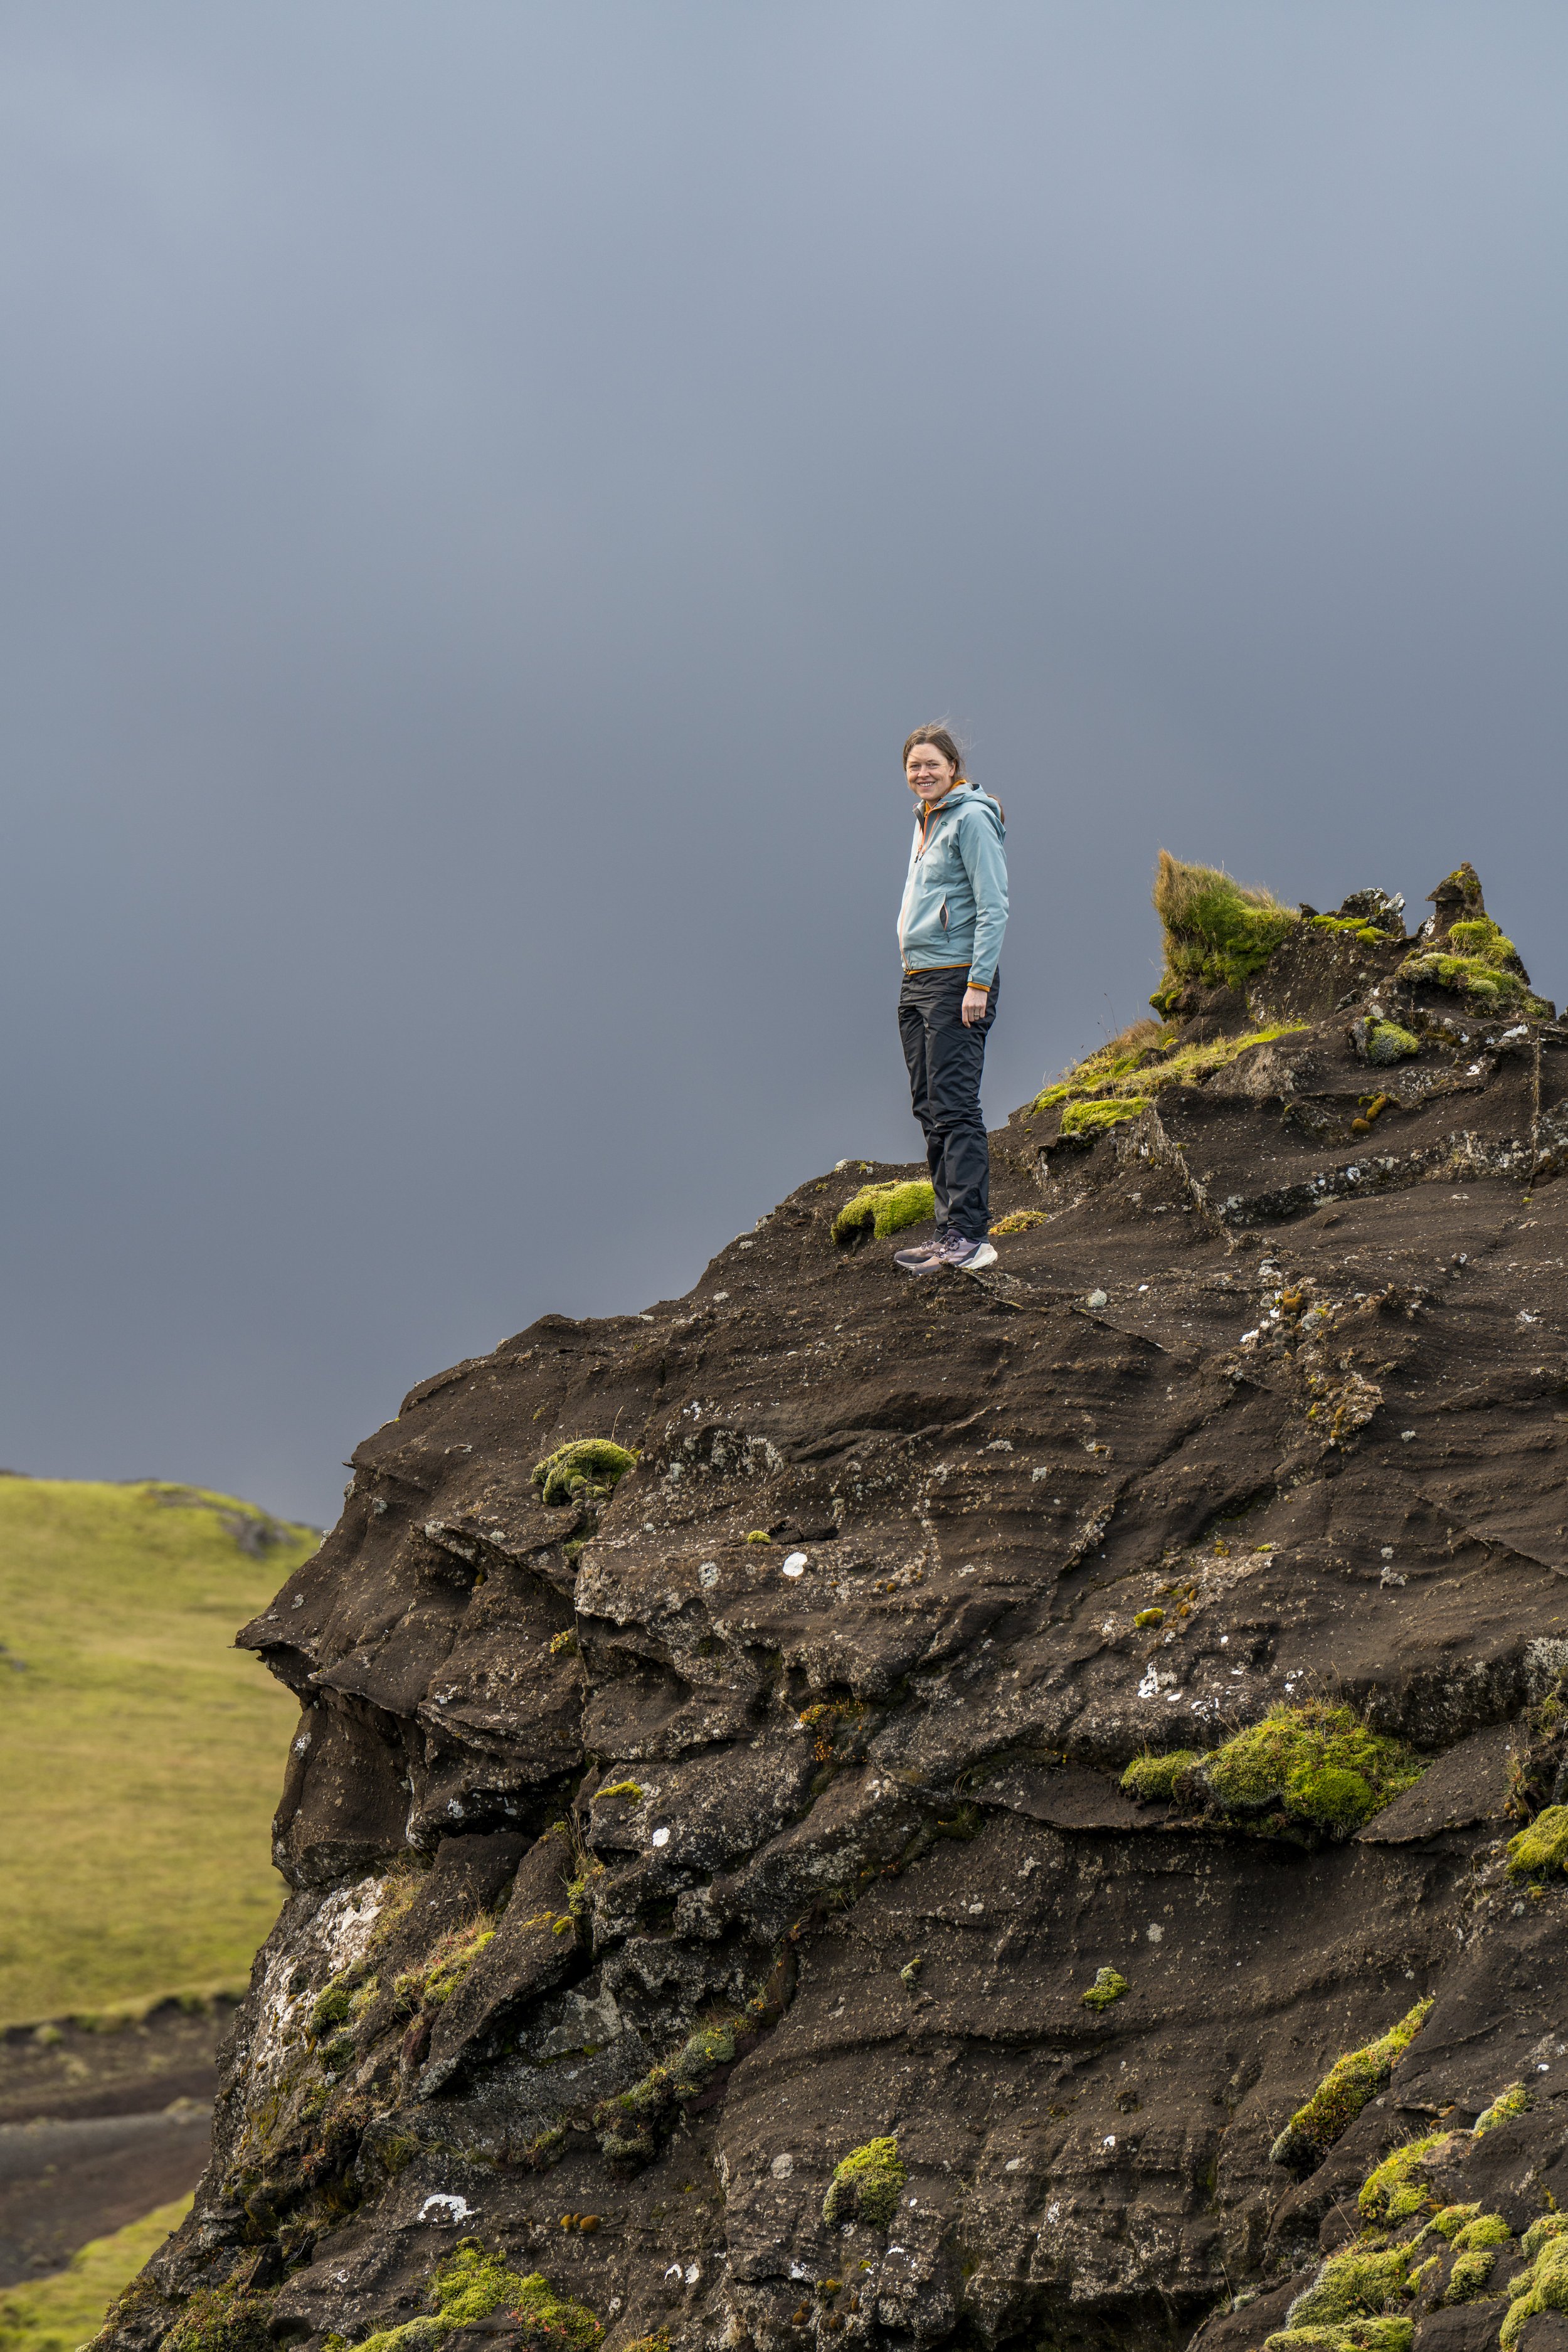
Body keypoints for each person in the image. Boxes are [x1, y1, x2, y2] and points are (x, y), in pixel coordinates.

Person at [891, 724, 1008, 1274]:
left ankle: (971, 1236)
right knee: (930, 1107)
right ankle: (947, 1233)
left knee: (956, 1107)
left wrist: (978, 984)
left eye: (932, 764)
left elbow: (994, 906)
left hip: (956, 981)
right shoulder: (926, 821)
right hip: (918, 980)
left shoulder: (971, 818)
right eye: (914, 766)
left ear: (953, 765)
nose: (922, 774)